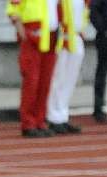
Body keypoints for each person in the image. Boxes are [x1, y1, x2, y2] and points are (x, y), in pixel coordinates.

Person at [7, 0, 60, 137]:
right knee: (32, 81)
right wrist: (22, 33)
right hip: (33, 34)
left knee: (45, 82)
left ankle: (40, 121)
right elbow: (13, 9)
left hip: (50, 36)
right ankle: (28, 123)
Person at [47, 0, 89, 134]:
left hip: (76, 37)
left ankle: (62, 115)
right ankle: (53, 117)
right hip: (62, 39)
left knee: (70, 81)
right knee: (58, 79)